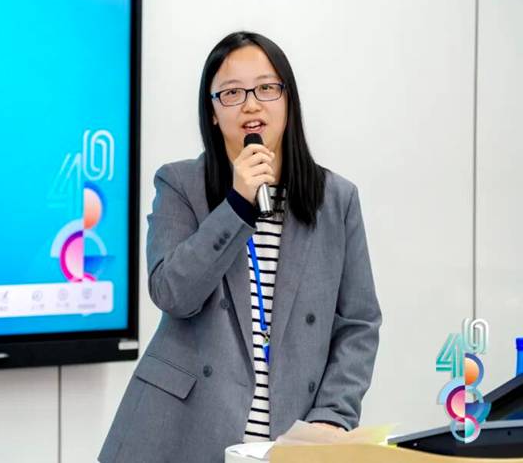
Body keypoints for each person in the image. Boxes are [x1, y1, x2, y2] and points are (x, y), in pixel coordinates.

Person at [98, 31, 382, 462]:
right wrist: (236, 205)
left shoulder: (336, 199)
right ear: (212, 112)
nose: (251, 105)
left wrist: (333, 416)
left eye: (266, 88)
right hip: (182, 433)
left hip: (287, 440)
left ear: (288, 100)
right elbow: (172, 293)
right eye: (231, 93)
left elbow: (358, 322)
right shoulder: (180, 184)